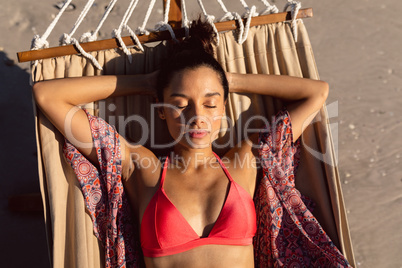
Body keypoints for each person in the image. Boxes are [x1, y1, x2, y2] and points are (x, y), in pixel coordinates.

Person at [32, 19, 350, 268]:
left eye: (210, 104)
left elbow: (316, 93)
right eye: (181, 104)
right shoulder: (142, 169)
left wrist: (225, 80)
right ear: (160, 109)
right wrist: (146, 82)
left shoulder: (248, 159)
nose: (197, 116)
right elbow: (48, 96)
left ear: (224, 107)